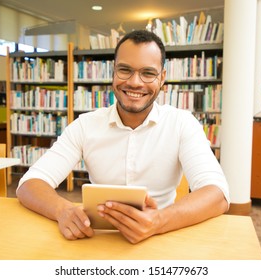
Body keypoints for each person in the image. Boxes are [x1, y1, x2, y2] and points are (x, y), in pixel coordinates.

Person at [16, 30, 230, 244]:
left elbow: (217, 193)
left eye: (148, 73)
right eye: (125, 70)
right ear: (113, 71)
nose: (135, 82)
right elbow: (29, 184)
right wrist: (63, 210)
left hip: (163, 236)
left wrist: (158, 221)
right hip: (97, 239)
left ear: (162, 78)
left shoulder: (182, 124)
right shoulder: (85, 125)